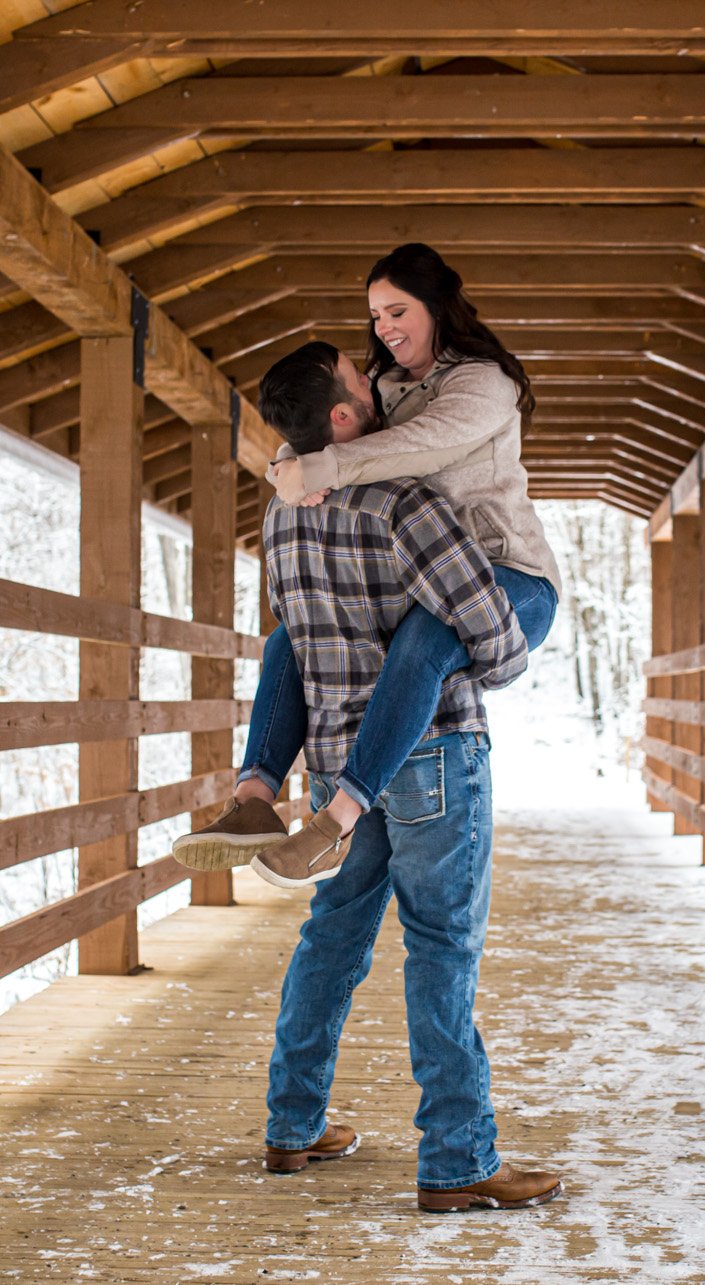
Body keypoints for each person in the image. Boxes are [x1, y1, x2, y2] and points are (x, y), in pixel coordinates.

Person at [240, 358, 564, 1211]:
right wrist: (478, 658)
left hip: (334, 761)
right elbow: (492, 629)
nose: (373, 376)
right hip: (431, 755)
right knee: (441, 947)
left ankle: (292, 1123)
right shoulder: (407, 503)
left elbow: (292, 641)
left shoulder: (280, 514)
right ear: (344, 420)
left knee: (333, 936)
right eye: (358, 377)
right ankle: (458, 1161)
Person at [172, 244, 561, 888]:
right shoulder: (381, 385)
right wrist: (289, 462)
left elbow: (418, 445)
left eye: (397, 309)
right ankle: (253, 801)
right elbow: (329, 421)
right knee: (287, 641)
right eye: (375, 314)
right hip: (424, 575)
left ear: (436, 307)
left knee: (427, 637)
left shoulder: (483, 384)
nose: (383, 327)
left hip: (504, 576)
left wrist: (319, 468)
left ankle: (337, 818)